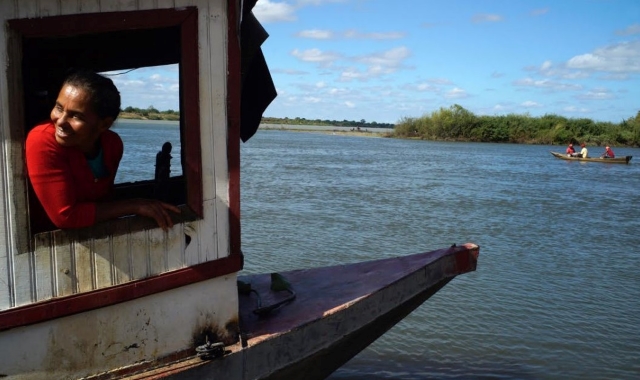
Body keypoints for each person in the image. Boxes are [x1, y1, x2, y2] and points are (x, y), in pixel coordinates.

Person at [26, 69, 180, 231]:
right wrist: (135, 205)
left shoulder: (112, 145)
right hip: (47, 243)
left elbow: (103, 200)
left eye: (76, 116)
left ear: (104, 124)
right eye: (59, 108)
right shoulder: (42, 140)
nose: (60, 121)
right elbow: (65, 217)